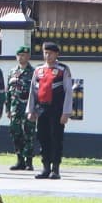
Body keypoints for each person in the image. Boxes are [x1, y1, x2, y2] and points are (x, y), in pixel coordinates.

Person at [31, 41, 75, 179]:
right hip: (42, 109)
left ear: (57, 54)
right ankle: (45, 167)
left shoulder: (63, 69)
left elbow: (68, 92)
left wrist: (66, 112)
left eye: (50, 53)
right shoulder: (38, 70)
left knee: (56, 138)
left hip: (57, 109)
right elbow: (33, 91)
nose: (47, 55)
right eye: (45, 53)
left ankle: (55, 169)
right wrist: (31, 110)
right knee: (43, 138)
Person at [8, 46, 39, 173]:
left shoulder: (34, 72)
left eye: (24, 55)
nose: (21, 57)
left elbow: (37, 92)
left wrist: (35, 109)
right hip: (15, 108)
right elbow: (8, 92)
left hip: (28, 108)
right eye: (19, 55)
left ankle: (29, 161)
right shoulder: (12, 72)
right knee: (16, 133)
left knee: (29, 134)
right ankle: (19, 160)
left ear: (28, 57)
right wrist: (7, 108)